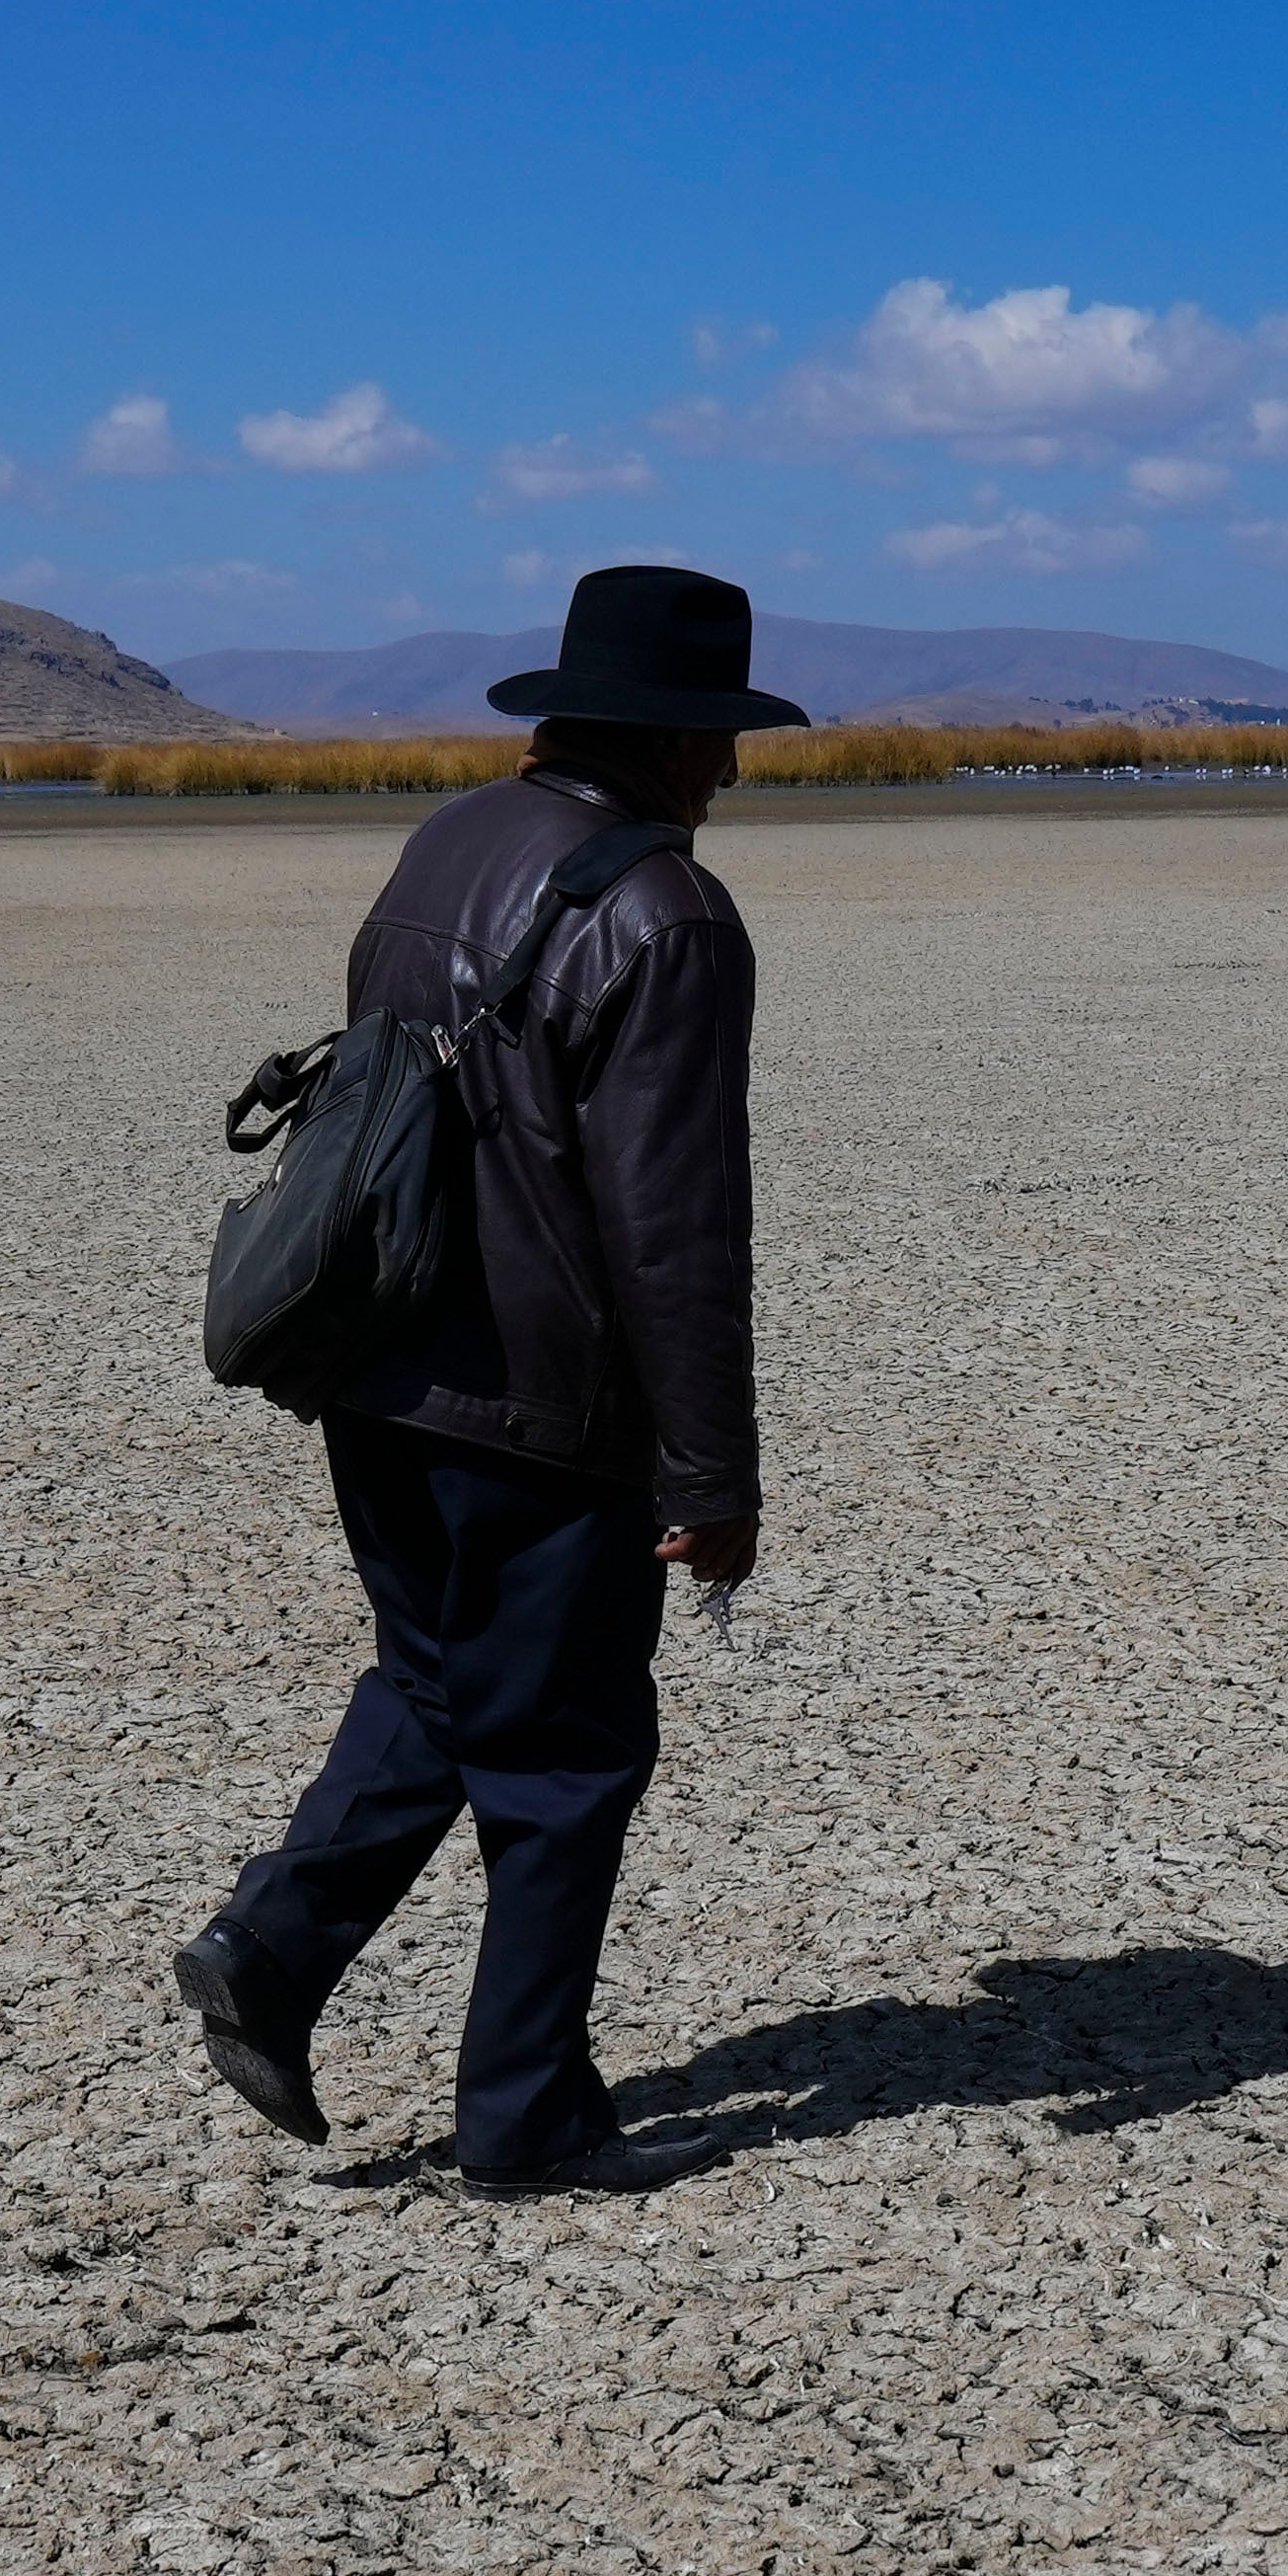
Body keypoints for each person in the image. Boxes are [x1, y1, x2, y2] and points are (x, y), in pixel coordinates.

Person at [172, 563, 799, 2198]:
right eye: (722, 738)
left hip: (375, 1358)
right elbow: (673, 1228)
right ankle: (526, 2123)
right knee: (566, 1757)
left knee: (442, 1681)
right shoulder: (665, 914)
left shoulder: (451, 841)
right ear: (675, 739)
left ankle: (273, 1951)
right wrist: (711, 1477)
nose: (730, 772)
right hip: (539, 1406)